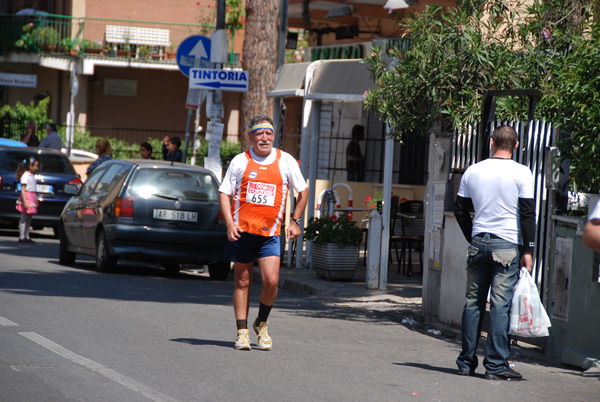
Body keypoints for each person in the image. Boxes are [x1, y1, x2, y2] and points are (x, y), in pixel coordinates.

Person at [219, 115, 309, 351]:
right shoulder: (240, 161)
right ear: (250, 137)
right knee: (243, 282)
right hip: (243, 231)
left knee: (271, 281)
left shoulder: (285, 160)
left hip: (270, 233)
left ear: (273, 136)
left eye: (268, 133)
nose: (265, 138)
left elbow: (303, 190)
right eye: (259, 133)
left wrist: (295, 221)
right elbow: (224, 193)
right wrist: (230, 223)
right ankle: (242, 332)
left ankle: (261, 322)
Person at [454, 125, 535, 381]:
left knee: (473, 303)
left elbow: (459, 209)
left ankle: (466, 362)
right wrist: (528, 250)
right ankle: (495, 365)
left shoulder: (473, 170)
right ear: (517, 145)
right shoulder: (523, 173)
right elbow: (526, 214)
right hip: (507, 245)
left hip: (479, 242)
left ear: (491, 142)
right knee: (500, 305)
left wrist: (474, 237)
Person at [15, 156, 39, 243]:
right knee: (24, 217)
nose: (37, 168)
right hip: (27, 197)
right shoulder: (25, 176)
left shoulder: (32, 175)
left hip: (32, 197)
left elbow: (33, 189)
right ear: (30, 166)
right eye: (35, 166)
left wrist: (35, 200)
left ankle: (27, 235)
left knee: (29, 218)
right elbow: (23, 189)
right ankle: (22, 236)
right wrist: (25, 201)